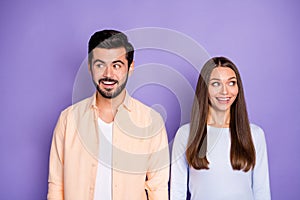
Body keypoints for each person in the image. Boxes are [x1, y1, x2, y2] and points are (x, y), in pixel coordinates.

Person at [47, 29, 169, 200]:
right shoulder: (68, 120)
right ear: (90, 66)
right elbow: (56, 186)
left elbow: (158, 189)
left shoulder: (151, 122)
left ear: (130, 67)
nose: (108, 74)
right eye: (100, 65)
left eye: (116, 65)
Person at [171, 56, 271, 200]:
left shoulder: (255, 134)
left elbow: (262, 191)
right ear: (204, 88)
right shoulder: (186, 134)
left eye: (231, 83)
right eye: (216, 84)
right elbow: (177, 192)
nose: (225, 91)